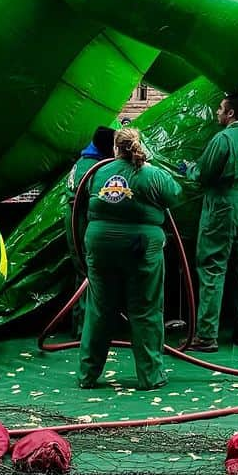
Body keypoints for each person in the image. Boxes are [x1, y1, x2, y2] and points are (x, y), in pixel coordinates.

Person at [78, 127, 182, 391]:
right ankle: (150, 377)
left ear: (115, 148)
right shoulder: (153, 175)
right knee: (145, 309)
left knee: (99, 311)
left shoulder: (98, 172)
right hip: (140, 247)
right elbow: (176, 196)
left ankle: (87, 375)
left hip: (101, 245)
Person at [182, 95, 238, 352]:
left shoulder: (223, 139)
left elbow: (205, 175)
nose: (217, 113)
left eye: (219, 109)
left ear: (229, 114)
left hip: (224, 208)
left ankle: (206, 336)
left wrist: (190, 169)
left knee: (212, 268)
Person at [65, 126, 116, 264]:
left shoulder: (83, 161)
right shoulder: (92, 166)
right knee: (89, 267)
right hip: (82, 222)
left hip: (75, 220)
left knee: (82, 266)